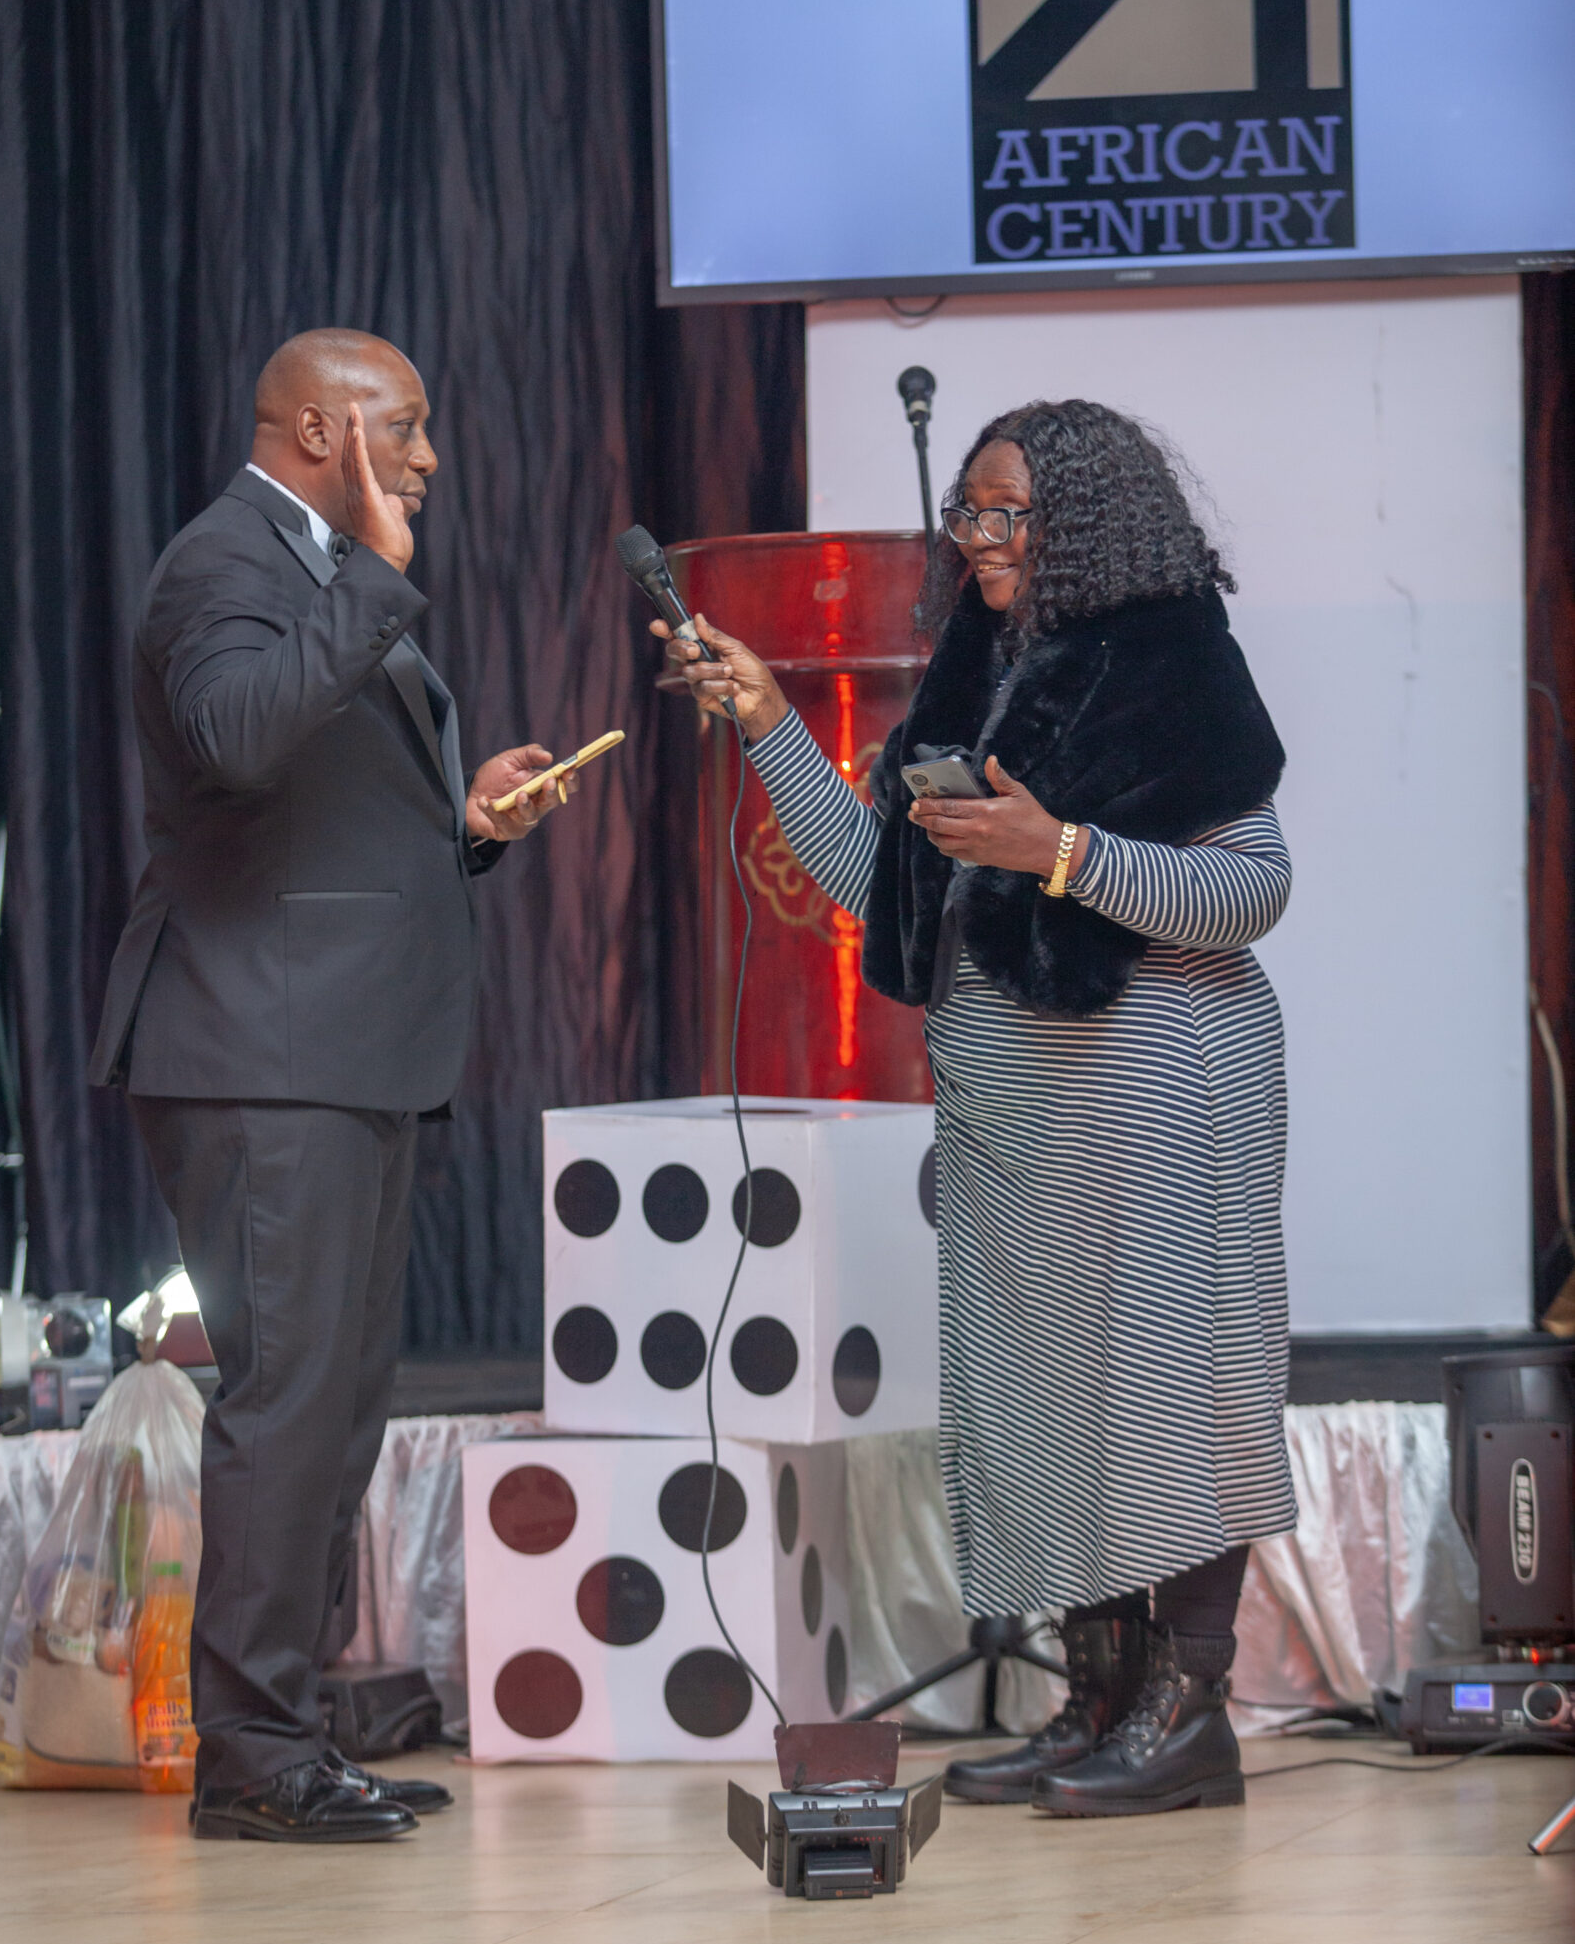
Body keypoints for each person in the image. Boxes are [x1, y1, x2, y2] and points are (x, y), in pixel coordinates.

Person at [659, 399, 1296, 1819]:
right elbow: (879, 883)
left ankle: (1190, 1717)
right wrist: (767, 722)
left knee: (1171, 1394)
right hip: (1014, 1098)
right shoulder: (977, 668)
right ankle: (1103, 1701)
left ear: (1088, 522)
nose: (983, 540)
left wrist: (1060, 852)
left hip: (1159, 1087)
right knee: (1050, 1400)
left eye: (1012, 516)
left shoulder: (1173, 658)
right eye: (971, 515)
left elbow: (1254, 889)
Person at [92, 328, 569, 1843]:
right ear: (320, 432)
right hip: (260, 1050)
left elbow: (313, 801)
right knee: (287, 1405)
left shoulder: (312, 565)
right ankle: (250, 1756)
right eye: (403, 428)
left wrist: (466, 821)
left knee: (338, 1408)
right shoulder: (221, 563)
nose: (426, 459)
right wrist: (372, 572)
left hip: (338, 1045)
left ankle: (287, 1731)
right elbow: (237, 742)